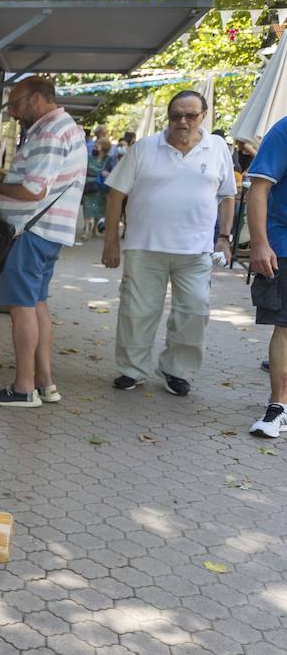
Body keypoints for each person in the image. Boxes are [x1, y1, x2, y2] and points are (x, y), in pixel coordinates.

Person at [100, 91, 235, 397]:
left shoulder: (217, 149)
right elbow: (115, 195)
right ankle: (133, 369)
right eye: (176, 116)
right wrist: (111, 242)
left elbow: (227, 196)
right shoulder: (145, 148)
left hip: (197, 250)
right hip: (144, 247)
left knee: (194, 312)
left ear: (203, 116)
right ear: (168, 116)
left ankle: (177, 371)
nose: (182, 122)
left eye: (190, 116)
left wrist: (224, 238)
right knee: (137, 311)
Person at [0, 75, 86, 407]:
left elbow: (33, 190)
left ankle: (23, 387)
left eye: (15, 105)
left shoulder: (49, 132)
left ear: (35, 99)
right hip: (47, 233)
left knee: (22, 310)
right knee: (37, 306)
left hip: (29, 233)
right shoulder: (64, 128)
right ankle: (45, 383)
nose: (13, 113)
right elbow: (37, 181)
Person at [243, 115, 287, 437]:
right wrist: (259, 243)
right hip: (284, 245)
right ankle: (278, 407)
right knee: (286, 327)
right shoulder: (284, 129)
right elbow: (258, 190)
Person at [81, 138, 113, 241]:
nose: (95, 148)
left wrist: (106, 173)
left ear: (104, 148)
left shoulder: (108, 159)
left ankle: (95, 228)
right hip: (89, 185)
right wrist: (101, 172)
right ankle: (87, 230)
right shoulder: (90, 157)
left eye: (97, 146)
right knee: (88, 207)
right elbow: (88, 168)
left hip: (101, 186)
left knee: (99, 207)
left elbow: (111, 170)